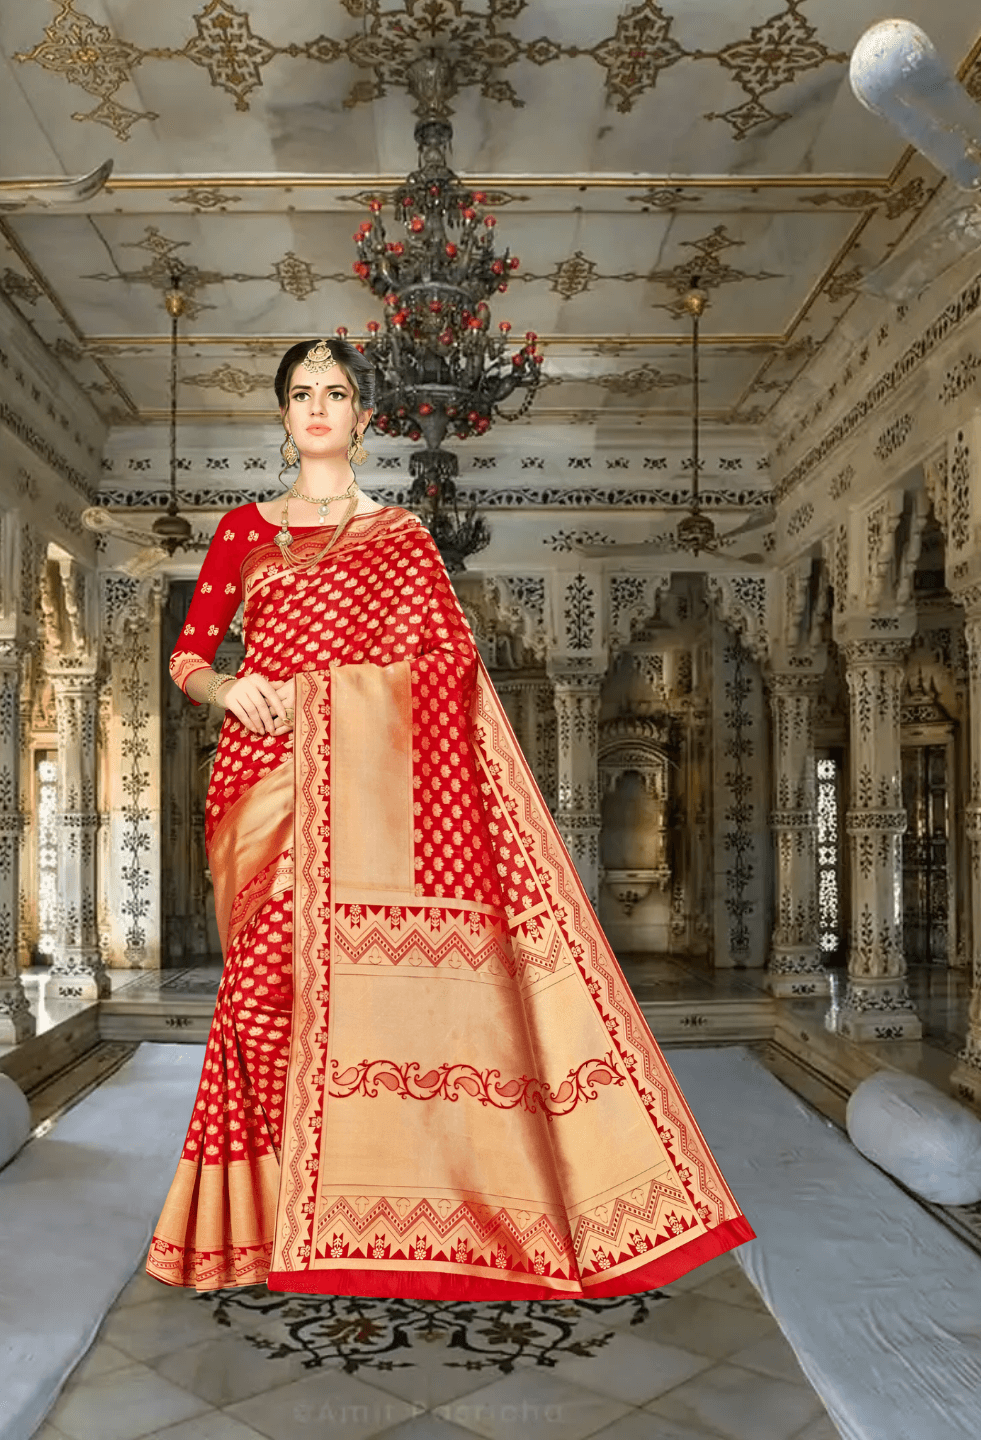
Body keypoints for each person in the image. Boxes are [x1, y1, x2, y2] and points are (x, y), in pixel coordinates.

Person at [146, 336, 754, 1299]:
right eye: (301, 392)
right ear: (281, 413)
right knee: (257, 1000)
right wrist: (228, 688)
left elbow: (447, 669)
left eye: (335, 393)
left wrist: (322, 696)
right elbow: (188, 658)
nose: (317, 408)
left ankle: (366, 1209)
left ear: (362, 416)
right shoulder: (240, 533)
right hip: (263, 785)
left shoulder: (402, 538)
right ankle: (265, 1221)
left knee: (353, 1005)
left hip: (371, 796)